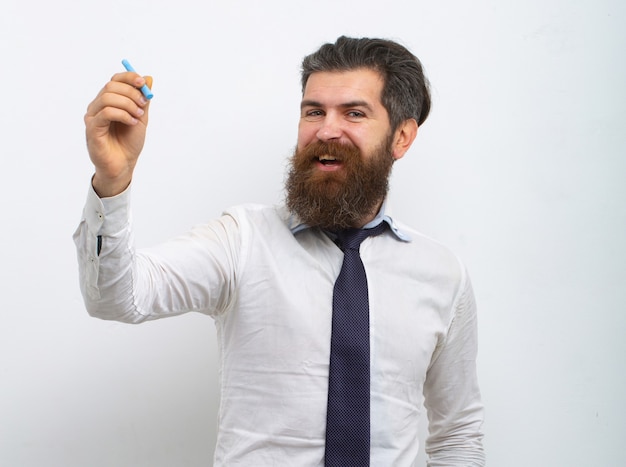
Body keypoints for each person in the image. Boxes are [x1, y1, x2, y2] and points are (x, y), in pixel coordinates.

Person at [74, 36, 485, 466]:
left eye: (354, 113)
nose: (326, 130)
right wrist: (112, 181)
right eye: (314, 111)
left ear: (401, 137)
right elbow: (117, 298)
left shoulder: (441, 275)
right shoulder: (241, 240)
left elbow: (458, 433)